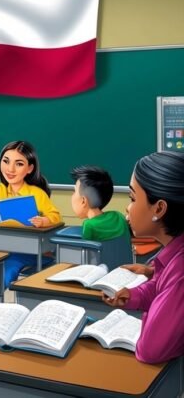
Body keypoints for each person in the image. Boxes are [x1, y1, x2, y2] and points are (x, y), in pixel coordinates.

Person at [103, 151, 184, 364]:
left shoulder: (181, 270)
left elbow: (150, 350)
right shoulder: (174, 252)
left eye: (132, 198)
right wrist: (132, 296)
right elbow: (161, 287)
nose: (127, 207)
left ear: (159, 208)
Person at [0, 140, 62, 287]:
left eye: (19, 164)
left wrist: (43, 221)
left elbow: (56, 217)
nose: (10, 169)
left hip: (30, 252)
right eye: (6, 161)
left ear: (30, 168)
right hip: (6, 246)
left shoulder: (37, 194)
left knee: (7, 268)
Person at [69, 165, 130, 241]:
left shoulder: (89, 225)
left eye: (74, 191)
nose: (72, 195)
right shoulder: (118, 216)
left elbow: (86, 250)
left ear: (83, 201)